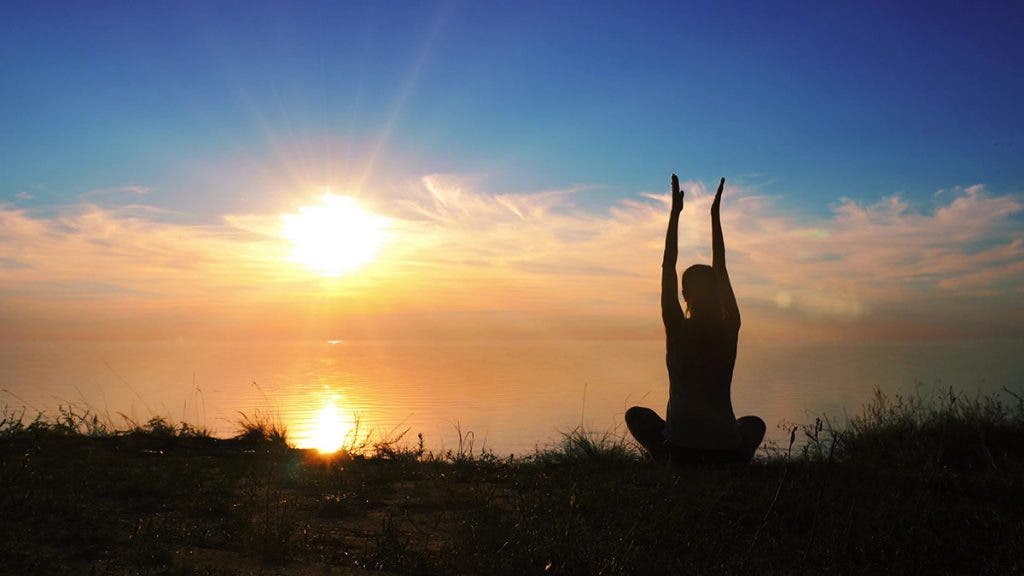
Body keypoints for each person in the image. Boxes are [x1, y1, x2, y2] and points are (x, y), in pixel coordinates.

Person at [626, 174, 765, 465]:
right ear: (718, 293)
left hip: (680, 450)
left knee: (637, 416)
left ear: (684, 294)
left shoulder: (676, 328)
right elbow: (722, 266)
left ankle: (662, 458)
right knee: (753, 424)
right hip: (724, 451)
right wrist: (715, 217)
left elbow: (668, 264)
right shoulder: (730, 328)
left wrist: (675, 214)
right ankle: (739, 460)